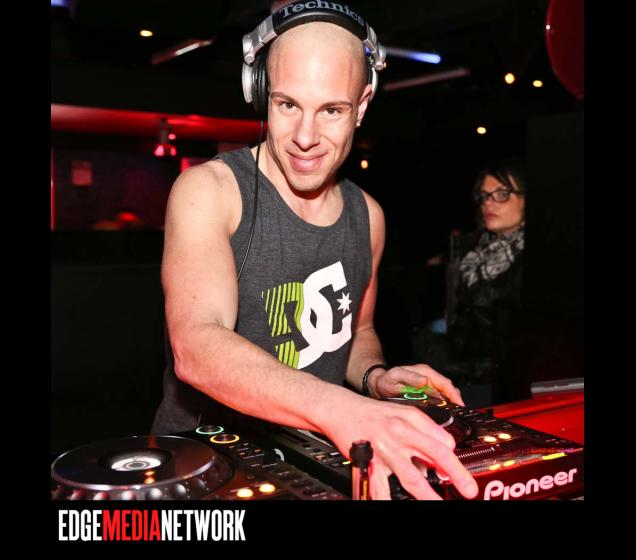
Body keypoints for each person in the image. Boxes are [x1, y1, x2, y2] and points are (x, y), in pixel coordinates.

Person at [152, 2, 478, 500]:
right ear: (260, 92)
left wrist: (375, 378)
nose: (305, 137)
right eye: (288, 105)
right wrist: (343, 410)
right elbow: (195, 346)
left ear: (362, 106)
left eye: (331, 110)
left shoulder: (368, 215)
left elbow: (357, 333)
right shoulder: (209, 191)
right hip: (200, 470)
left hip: (311, 463)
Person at [414, 158, 526, 407]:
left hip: (500, 388)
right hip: (463, 379)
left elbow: (518, 345)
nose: (488, 203)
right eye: (484, 196)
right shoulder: (473, 249)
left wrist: (459, 364)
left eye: (502, 194)